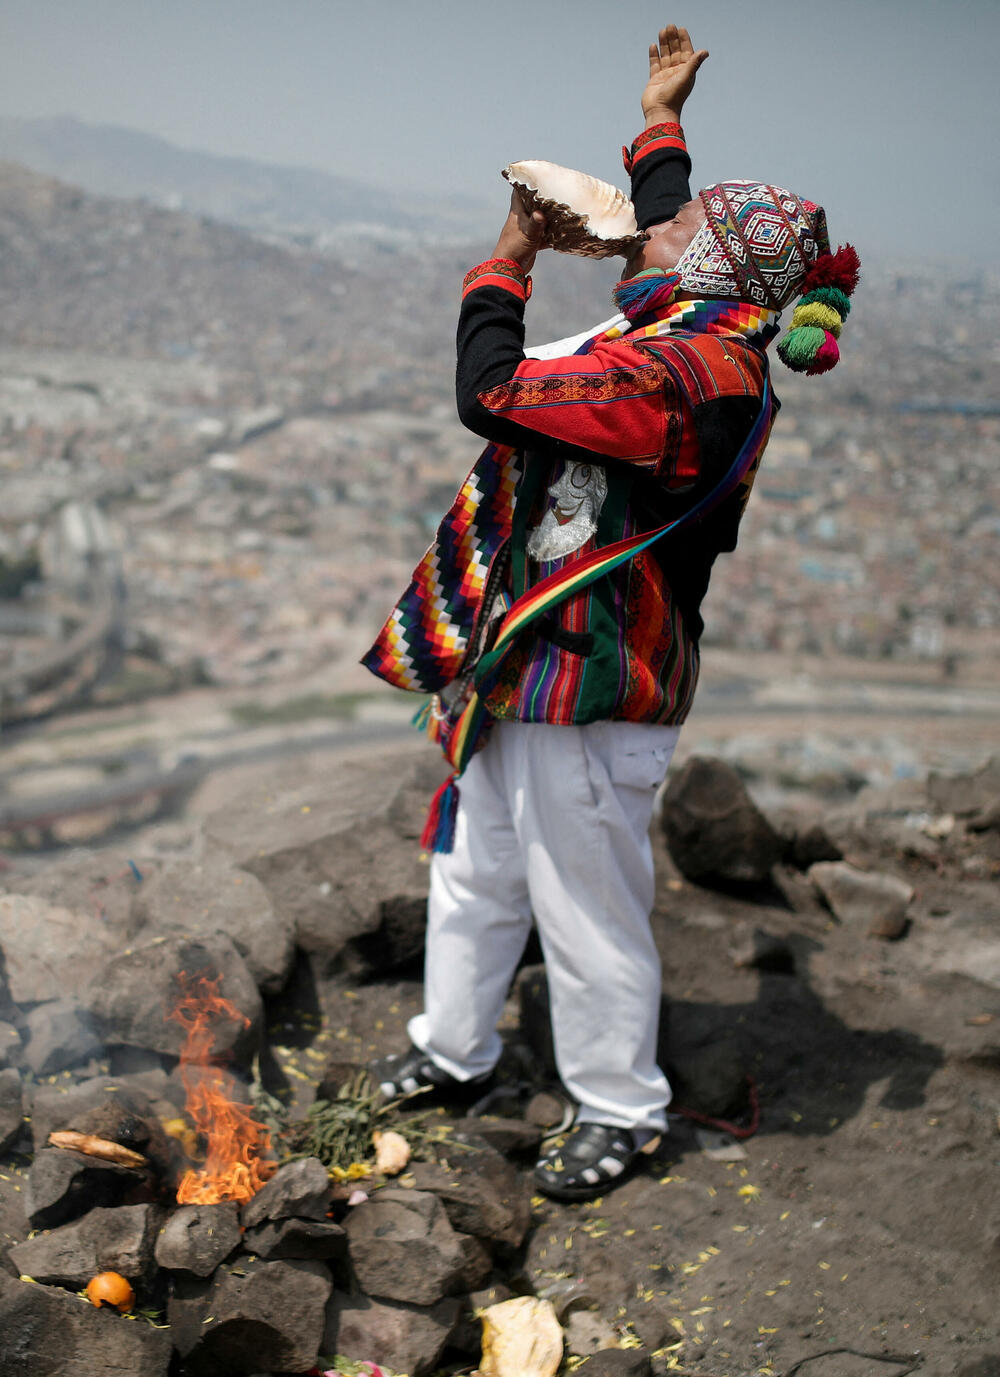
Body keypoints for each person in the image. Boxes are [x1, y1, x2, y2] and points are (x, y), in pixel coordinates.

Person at [363, 25, 859, 1201]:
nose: (656, 230)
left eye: (683, 231)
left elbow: (490, 392)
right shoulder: (696, 316)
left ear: (721, 271)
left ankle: (620, 1107)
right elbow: (674, 208)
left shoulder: (685, 379)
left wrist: (507, 256)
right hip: (530, 663)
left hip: (595, 680)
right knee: (476, 867)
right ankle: (455, 1048)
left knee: (582, 907)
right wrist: (657, 115)